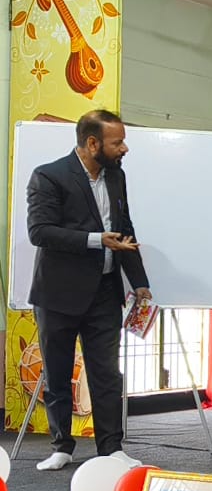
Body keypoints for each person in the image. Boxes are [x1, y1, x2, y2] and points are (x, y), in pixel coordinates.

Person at [28, 109, 151, 471]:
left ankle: (111, 448)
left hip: (104, 292)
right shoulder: (48, 176)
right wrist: (97, 240)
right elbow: (40, 232)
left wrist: (140, 282)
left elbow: (125, 228)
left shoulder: (116, 176)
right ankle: (61, 447)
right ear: (93, 143)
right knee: (57, 372)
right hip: (58, 294)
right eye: (118, 142)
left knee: (107, 374)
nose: (124, 148)